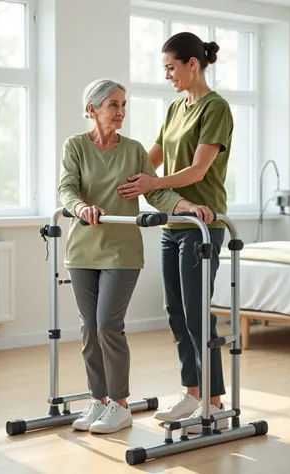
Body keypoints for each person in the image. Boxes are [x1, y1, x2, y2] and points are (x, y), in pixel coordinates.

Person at [58, 78, 212, 435]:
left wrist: (185, 205)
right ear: (92, 109)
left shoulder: (133, 150)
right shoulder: (76, 146)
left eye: (123, 104)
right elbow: (67, 187)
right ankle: (99, 399)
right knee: (89, 329)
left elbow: (155, 193)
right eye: (113, 105)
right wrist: (80, 207)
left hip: (122, 252)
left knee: (108, 326)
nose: (121, 111)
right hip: (82, 249)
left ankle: (120, 405)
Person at [117, 32, 234, 433]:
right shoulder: (174, 108)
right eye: (165, 69)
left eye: (171, 67)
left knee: (198, 314)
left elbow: (198, 171)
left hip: (204, 225)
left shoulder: (215, 108)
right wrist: (120, 175)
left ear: (192, 64)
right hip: (174, 224)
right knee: (176, 313)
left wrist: (153, 185)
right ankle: (193, 392)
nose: (167, 75)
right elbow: (152, 157)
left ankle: (215, 402)